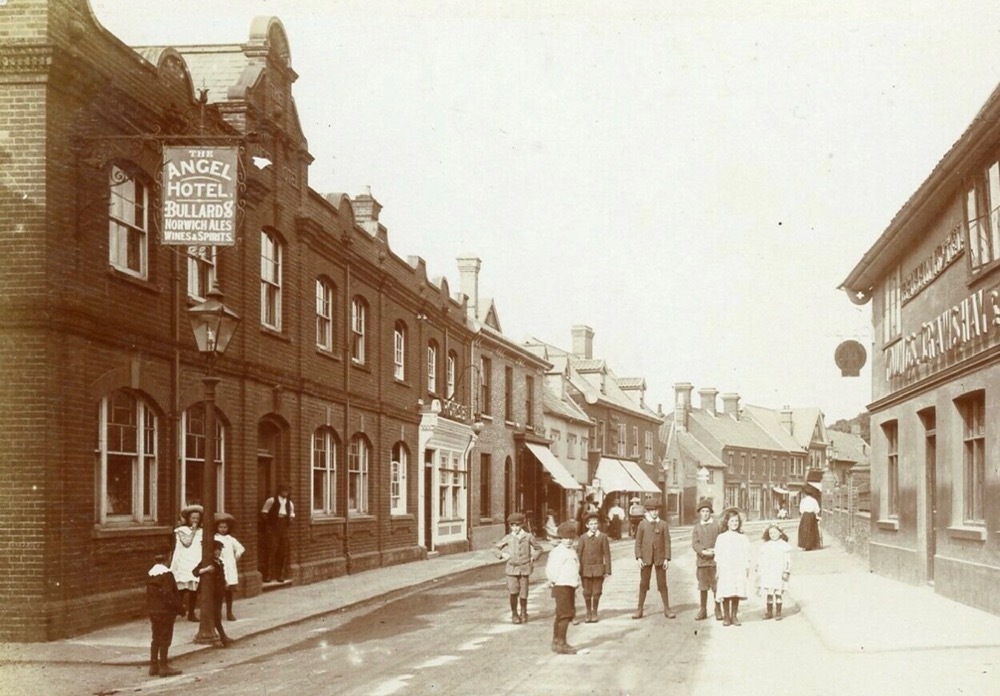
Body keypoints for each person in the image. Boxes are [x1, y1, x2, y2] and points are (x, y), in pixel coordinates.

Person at [492, 512, 543, 624]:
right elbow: (496, 548)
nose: (515, 528)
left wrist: (533, 557)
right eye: (512, 525)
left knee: (524, 592)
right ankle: (514, 613)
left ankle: (523, 612)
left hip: (525, 568)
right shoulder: (508, 538)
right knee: (513, 592)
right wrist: (502, 555)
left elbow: (539, 549)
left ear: (522, 525)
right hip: (511, 569)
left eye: (517, 525)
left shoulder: (528, 536)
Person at [632, 503, 676, 619]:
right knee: (643, 584)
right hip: (646, 558)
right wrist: (639, 557)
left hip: (660, 558)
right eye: (652, 510)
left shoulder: (663, 525)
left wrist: (667, 558)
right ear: (648, 511)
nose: (655, 512)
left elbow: (667, 542)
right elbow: (638, 543)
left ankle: (667, 608)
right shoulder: (642, 524)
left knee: (662, 584)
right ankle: (639, 609)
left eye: (656, 510)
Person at [546, 521, 582, 655]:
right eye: (566, 538)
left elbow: (575, 568)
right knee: (565, 614)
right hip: (561, 586)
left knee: (563, 614)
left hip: (569, 585)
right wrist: (553, 581)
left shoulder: (570, 551)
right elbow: (552, 569)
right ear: (560, 538)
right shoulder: (558, 552)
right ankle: (561, 642)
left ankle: (556, 641)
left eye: (571, 538)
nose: (568, 541)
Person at [146, 552, 184, 677]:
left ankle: (153, 666)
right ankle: (164, 666)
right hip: (166, 612)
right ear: (168, 559)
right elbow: (169, 594)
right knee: (165, 638)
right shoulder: (167, 575)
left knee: (155, 637)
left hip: (153, 611)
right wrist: (180, 608)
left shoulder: (150, 574)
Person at [191, 539, 232, 647]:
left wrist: (225, 583)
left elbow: (221, 576)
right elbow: (195, 572)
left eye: (219, 550)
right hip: (210, 593)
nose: (218, 552)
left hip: (219, 592)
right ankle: (222, 636)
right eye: (216, 550)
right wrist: (206, 570)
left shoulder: (220, 562)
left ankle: (220, 636)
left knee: (216, 613)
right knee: (216, 615)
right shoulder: (208, 562)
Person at [715, 507, 751, 626]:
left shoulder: (743, 538)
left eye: (736, 521)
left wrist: (747, 567)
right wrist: (718, 568)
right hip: (726, 567)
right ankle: (726, 616)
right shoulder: (722, 537)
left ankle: (734, 615)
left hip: (738, 567)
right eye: (732, 521)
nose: (734, 523)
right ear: (727, 522)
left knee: (736, 590)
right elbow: (718, 554)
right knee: (727, 590)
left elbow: (747, 553)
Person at [168, 504, 203, 622]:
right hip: (184, 561)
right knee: (181, 589)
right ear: (188, 519)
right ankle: (175, 611)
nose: (195, 521)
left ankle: (191, 613)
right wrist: (192, 531)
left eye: (197, 519)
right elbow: (187, 543)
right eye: (193, 518)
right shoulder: (181, 530)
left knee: (194, 589)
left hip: (195, 561)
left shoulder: (202, 531)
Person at [691, 498, 723, 621]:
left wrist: (716, 550)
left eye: (707, 511)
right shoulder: (697, 527)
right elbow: (695, 543)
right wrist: (703, 551)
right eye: (703, 511)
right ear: (700, 512)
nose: (705, 513)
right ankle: (703, 610)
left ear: (710, 512)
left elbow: (721, 539)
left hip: (715, 561)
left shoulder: (717, 525)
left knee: (716, 586)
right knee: (703, 586)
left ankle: (718, 609)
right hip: (702, 562)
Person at [577, 511, 612, 623]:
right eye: (591, 524)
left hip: (598, 569)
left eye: (595, 523)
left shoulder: (602, 537)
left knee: (597, 592)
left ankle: (595, 611)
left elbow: (607, 554)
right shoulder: (583, 538)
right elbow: (578, 554)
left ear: (598, 525)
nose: (594, 526)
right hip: (585, 570)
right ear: (587, 525)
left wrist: (607, 570)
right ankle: (588, 612)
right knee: (587, 593)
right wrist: (577, 569)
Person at [260, 485, 295, 582]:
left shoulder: (290, 503)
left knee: (283, 550)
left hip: (283, 526)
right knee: (271, 550)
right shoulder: (271, 500)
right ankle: (268, 575)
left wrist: (289, 521)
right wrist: (269, 526)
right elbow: (264, 513)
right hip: (273, 526)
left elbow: (292, 514)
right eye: (284, 491)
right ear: (279, 491)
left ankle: (281, 575)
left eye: (287, 491)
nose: (286, 493)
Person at [758, 524, 792, 620]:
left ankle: (778, 612)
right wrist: (759, 568)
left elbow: (788, 560)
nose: (773, 535)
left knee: (778, 593)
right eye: (771, 533)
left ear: (780, 533)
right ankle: (769, 612)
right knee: (769, 593)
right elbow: (762, 558)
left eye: (775, 532)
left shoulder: (784, 546)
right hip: (769, 572)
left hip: (779, 572)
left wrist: (787, 571)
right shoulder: (766, 545)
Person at [215, 516, 245, 621]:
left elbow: (241, 548)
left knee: (229, 593)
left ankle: (229, 612)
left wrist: (237, 554)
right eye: (220, 527)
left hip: (230, 565)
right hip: (220, 566)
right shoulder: (215, 538)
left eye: (225, 527)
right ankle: (217, 613)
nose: (223, 529)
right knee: (219, 592)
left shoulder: (230, 539)